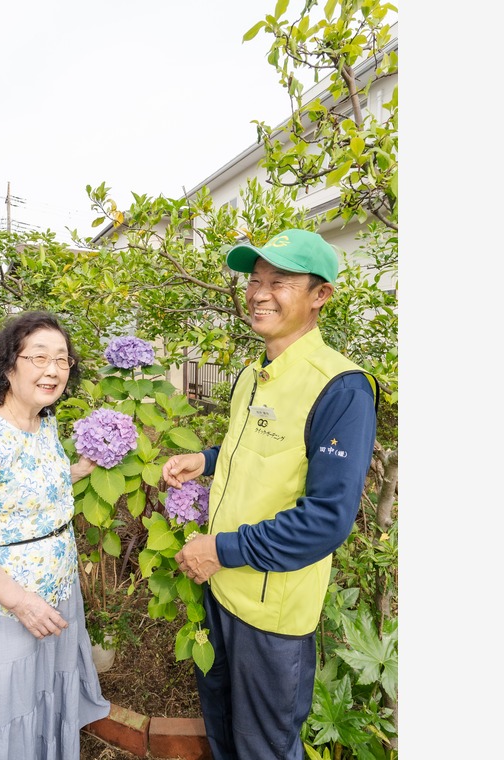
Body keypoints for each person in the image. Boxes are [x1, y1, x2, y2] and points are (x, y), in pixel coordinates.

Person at [162, 229, 379, 760]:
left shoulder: (341, 388)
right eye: (255, 280)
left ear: (319, 295)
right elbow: (261, 451)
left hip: (271, 615)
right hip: (222, 592)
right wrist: (207, 459)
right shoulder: (252, 376)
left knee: (264, 748)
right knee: (224, 729)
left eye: (279, 281)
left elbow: (326, 520)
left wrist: (218, 549)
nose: (259, 292)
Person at [0, 311, 110, 759]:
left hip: (58, 584)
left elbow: (32, 485)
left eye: (63, 360)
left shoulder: (44, 422)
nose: (53, 370)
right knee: (2, 706)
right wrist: (21, 601)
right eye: (38, 357)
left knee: (44, 689)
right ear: (8, 365)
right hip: (12, 603)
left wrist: (79, 469)